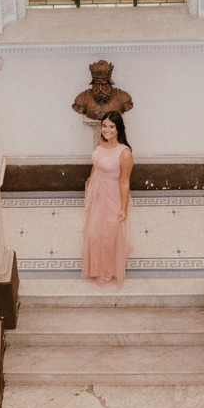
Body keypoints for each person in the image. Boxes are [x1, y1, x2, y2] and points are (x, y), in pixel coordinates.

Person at [82, 111, 133, 286]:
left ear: (119, 129)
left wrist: (123, 208)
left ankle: (109, 269)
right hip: (97, 190)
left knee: (109, 232)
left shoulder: (124, 153)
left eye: (111, 127)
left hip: (112, 194)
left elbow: (124, 182)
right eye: (104, 126)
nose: (107, 130)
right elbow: (95, 165)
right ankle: (96, 263)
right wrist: (90, 181)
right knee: (94, 230)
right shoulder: (100, 142)